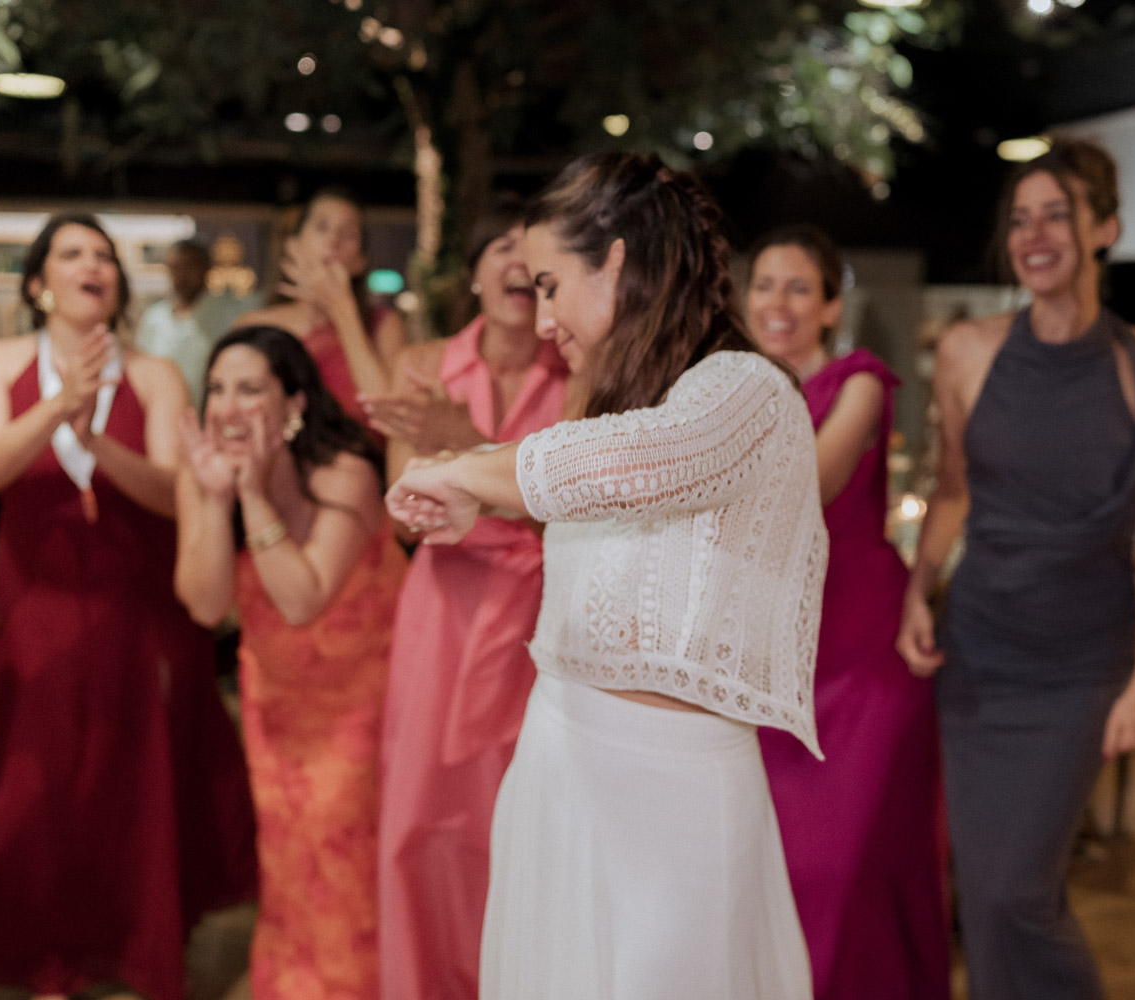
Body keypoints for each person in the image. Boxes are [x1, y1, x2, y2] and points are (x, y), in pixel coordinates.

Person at [387, 152, 826, 1000]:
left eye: (551, 285)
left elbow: (643, 463)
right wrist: (484, 499)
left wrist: (467, 470)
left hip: (675, 796)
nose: (543, 316)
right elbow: (599, 498)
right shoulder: (609, 401)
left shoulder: (748, 389)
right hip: (559, 762)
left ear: (617, 260)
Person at [896, 138, 1135, 1000]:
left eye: (1056, 215)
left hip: (1081, 666)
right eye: (1020, 219)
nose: (1033, 236)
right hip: (979, 656)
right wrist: (917, 590)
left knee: (1013, 893)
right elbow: (953, 491)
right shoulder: (968, 350)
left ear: (1105, 229)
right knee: (994, 894)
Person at [0, 214, 257, 1000]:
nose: (93, 265)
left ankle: (137, 946)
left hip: (137, 603)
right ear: (38, 283)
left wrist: (97, 443)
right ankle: (49, 957)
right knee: (41, 777)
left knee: (136, 775)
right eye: (72, 253)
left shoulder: (154, 375)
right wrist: (62, 407)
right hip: (38, 603)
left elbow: (171, 492)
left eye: (104, 256)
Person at [363, 199, 569, 1000]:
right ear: (475, 272)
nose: (517, 263)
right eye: (501, 248)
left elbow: (579, 513)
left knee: (519, 819)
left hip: (540, 616)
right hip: (443, 612)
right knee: (420, 821)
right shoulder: (423, 364)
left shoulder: (580, 372)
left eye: (532, 253)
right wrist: (489, 472)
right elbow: (403, 514)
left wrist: (464, 451)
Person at [745, 224, 949, 1000]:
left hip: (862, 650)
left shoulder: (859, 382)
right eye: (765, 285)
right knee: (777, 869)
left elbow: (813, 484)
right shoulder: (730, 391)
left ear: (831, 306)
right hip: (773, 658)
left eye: (800, 288)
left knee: (849, 865)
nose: (779, 303)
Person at [175, 325, 405, 1000]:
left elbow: (303, 597)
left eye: (250, 388)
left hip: (365, 703)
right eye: (217, 389)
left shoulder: (346, 471)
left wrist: (251, 498)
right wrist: (214, 498)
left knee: (349, 861)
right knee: (288, 863)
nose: (227, 406)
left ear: (294, 403)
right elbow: (205, 605)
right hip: (275, 706)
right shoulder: (207, 472)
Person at [234, 187, 405, 422]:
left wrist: (342, 310)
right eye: (321, 227)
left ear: (361, 262)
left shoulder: (383, 325)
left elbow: (392, 417)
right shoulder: (254, 328)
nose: (332, 241)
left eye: (348, 234)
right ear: (293, 245)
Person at [136, 239, 241, 409]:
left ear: (206, 267)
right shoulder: (154, 318)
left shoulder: (229, 314)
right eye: (175, 267)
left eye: (189, 266)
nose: (181, 275)